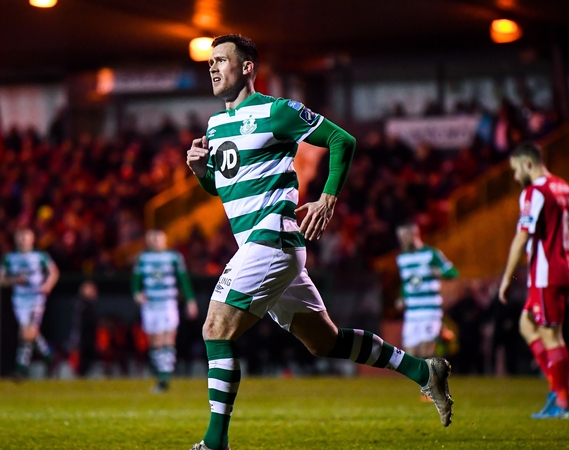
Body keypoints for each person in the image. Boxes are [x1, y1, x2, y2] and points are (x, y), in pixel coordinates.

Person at [185, 34, 453, 450]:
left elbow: (342, 140)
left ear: (247, 67)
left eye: (222, 60)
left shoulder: (277, 111)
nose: (214, 68)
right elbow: (224, 189)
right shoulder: (215, 125)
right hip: (259, 247)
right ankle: (423, 370)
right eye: (210, 63)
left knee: (215, 329)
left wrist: (328, 198)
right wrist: (201, 171)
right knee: (324, 341)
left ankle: (215, 441)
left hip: (270, 238)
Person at [499, 142, 569, 419]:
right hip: (564, 269)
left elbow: (522, 236)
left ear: (527, 164)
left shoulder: (535, 191)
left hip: (546, 273)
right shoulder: (566, 189)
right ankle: (557, 391)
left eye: (516, 170)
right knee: (526, 325)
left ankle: (563, 402)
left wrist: (507, 277)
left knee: (551, 335)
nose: (516, 177)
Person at [132, 229, 198, 392]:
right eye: (153, 239)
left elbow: (183, 279)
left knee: (168, 337)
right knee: (155, 340)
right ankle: (160, 373)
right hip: (151, 304)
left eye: (159, 239)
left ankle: (165, 377)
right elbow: (136, 279)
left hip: (168, 302)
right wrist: (137, 293)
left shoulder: (174, 257)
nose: (156, 242)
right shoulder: (143, 258)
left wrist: (190, 300)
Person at [0, 228, 60, 379]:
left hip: (36, 298)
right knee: (30, 333)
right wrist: (13, 280)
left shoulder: (40, 256)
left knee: (26, 331)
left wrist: (48, 285)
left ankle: (21, 369)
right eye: (21, 239)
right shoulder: (9, 258)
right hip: (19, 300)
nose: (23, 242)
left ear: (32, 240)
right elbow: (1, 279)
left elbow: (54, 272)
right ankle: (49, 356)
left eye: (26, 239)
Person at [395, 222, 458, 359]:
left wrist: (440, 272)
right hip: (412, 312)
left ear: (414, 235)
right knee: (410, 353)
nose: (402, 241)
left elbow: (452, 272)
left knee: (425, 352)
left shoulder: (431, 254)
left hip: (429, 309)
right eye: (400, 237)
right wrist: (402, 298)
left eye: (404, 237)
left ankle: (438, 372)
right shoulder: (402, 258)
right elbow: (406, 282)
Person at [68, 280, 100, 378]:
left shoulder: (89, 305)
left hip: (89, 338)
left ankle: (83, 377)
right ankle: (79, 377)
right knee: (81, 362)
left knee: (89, 361)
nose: (94, 292)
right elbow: (78, 324)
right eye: (91, 290)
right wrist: (76, 340)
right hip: (81, 338)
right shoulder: (80, 304)